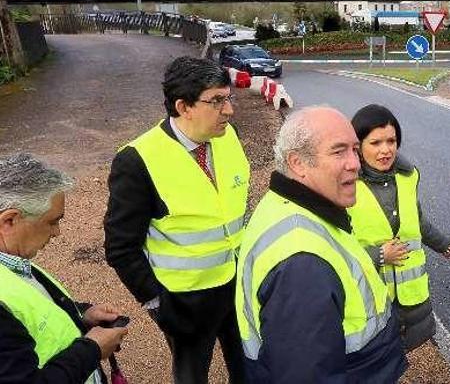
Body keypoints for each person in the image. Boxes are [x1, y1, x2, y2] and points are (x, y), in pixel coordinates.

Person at [104, 56, 249, 384]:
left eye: (229, 98)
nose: (229, 110)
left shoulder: (228, 135)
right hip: (186, 300)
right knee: (191, 375)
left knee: (250, 368)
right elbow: (120, 247)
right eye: (217, 101)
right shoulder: (137, 160)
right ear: (184, 107)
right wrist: (158, 304)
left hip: (237, 285)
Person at [235, 106, 407, 382]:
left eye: (354, 149)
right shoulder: (302, 264)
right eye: (339, 151)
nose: (356, 163)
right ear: (297, 163)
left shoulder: (288, 204)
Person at [0, 153, 129, 384]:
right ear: (9, 220)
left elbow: (32, 309)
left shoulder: (10, 263)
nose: (57, 232)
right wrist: (92, 350)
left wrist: (79, 315)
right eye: (52, 221)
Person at [347, 104, 450, 350]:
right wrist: (379, 255)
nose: (386, 150)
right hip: (369, 298)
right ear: (357, 145)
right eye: (375, 143)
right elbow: (334, 247)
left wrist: (442, 243)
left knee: (397, 355)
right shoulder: (345, 184)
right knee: (369, 357)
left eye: (392, 141)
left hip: (410, 299)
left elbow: (416, 221)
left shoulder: (407, 177)